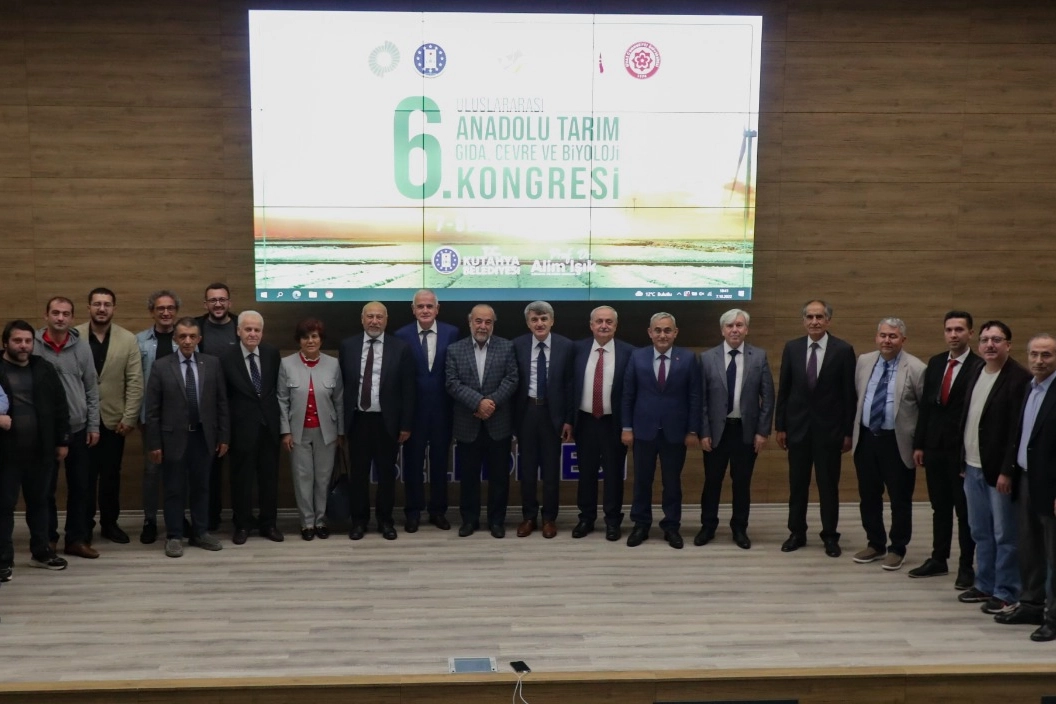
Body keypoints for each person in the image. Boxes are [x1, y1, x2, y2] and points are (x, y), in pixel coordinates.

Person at [956, 321, 1030, 615]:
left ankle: (1007, 591)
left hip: (999, 473)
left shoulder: (1019, 379)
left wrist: (1007, 470)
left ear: (1008, 345)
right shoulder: (976, 371)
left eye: (996, 339)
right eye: (985, 339)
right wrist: (963, 460)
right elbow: (968, 418)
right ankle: (985, 583)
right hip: (972, 466)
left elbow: (1017, 430)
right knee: (980, 531)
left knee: (1004, 535)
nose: (990, 344)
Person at [775, 299, 857, 558]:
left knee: (828, 487)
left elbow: (849, 395)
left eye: (819, 317)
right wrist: (780, 426)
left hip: (829, 433)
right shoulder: (792, 348)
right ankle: (796, 533)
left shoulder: (843, 350)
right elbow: (784, 390)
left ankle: (830, 536)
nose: (814, 322)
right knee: (797, 486)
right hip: (797, 430)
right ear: (803, 321)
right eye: (809, 317)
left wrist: (848, 432)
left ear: (828, 320)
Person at [144, 317, 229, 558]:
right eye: (182, 336)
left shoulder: (212, 364)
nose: (188, 341)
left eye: (192, 336)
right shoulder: (161, 366)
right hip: (173, 439)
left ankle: (200, 532)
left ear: (199, 339)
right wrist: (154, 443)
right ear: (175, 339)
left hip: (204, 437)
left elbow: (221, 403)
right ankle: (174, 535)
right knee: (174, 489)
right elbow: (152, 410)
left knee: (202, 487)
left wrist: (224, 436)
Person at [908, 311, 982, 586]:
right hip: (934, 448)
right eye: (949, 330)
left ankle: (966, 566)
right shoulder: (937, 362)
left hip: (961, 450)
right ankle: (939, 559)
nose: (953, 335)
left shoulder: (979, 366)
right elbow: (927, 407)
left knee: (964, 511)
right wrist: (920, 444)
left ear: (970, 333)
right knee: (939, 507)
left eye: (959, 330)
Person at [621, 312, 702, 549]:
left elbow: (695, 396)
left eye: (667, 330)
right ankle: (641, 525)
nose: (662, 335)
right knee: (642, 481)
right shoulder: (637, 356)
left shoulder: (688, 358)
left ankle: (671, 526)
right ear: (650, 332)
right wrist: (627, 427)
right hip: (643, 431)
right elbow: (628, 395)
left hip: (675, 433)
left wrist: (693, 430)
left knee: (672, 483)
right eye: (658, 330)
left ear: (675, 333)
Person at [851, 317, 926, 571]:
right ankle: (875, 543)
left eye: (893, 336)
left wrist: (920, 444)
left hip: (897, 443)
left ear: (903, 339)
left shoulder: (916, 368)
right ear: (876, 337)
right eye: (883, 335)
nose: (887, 340)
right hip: (866, 439)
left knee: (899, 499)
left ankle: (897, 548)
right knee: (868, 496)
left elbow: (924, 411)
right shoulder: (864, 361)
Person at [696, 308, 774, 550]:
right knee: (712, 482)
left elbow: (768, 397)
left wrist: (762, 432)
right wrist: (704, 432)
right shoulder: (707, 358)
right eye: (730, 326)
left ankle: (739, 529)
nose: (734, 330)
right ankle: (708, 527)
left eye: (739, 325)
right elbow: (701, 399)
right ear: (722, 330)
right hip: (716, 433)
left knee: (741, 483)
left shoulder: (758, 357)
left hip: (745, 432)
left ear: (746, 329)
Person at [996, 334, 1056, 641]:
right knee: (1030, 547)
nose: (1039, 361)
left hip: (1051, 486)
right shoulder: (1029, 388)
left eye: (1046, 355)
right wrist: (1008, 471)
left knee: (1053, 554)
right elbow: (1020, 435)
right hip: (1025, 479)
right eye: (1034, 354)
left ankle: (1053, 618)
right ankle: (1032, 605)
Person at [338, 302, 414, 541]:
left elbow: (408, 390)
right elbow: (342, 388)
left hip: (387, 422)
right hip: (357, 420)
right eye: (370, 316)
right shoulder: (348, 346)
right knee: (358, 474)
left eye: (379, 317)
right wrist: (341, 426)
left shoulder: (400, 348)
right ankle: (359, 521)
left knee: (386, 475)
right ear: (362, 319)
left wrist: (405, 424)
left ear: (386, 320)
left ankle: (385, 521)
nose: (374, 321)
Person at [0, 320, 70, 579]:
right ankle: (3, 560)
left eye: (28, 341)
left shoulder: (44, 368)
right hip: (6, 455)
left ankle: (41, 552)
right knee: (4, 507)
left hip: (40, 452)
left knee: (40, 503)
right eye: (17, 341)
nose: (23, 346)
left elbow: (60, 406)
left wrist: (63, 441)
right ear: (5, 342)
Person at [75, 288, 143, 544]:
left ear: (114, 308)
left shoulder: (128, 339)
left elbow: (135, 381)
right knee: (84, 476)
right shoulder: (74, 336)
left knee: (111, 475)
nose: (102, 309)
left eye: (107, 304)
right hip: (82, 420)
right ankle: (83, 526)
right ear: (89, 307)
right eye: (97, 304)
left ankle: (110, 524)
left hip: (115, 421)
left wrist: (130, 417)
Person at [35, 297, 100, 560]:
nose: (60, 318)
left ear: (72, 318)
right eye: (55, 313)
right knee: (45, 488)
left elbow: (91, 388)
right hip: (43, 431)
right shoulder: (33, 346)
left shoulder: (82, 347)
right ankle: (48, 538)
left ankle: (76, 539)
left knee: (81, 487)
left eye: (65, 314)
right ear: (46, 315)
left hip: (78, 427)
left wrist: (93, 424)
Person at [445, 304, 518, 538]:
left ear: (493, 324)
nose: (483, 326)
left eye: (488, 322)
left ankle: (496, 521)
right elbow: (452, 383)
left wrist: (490, 403)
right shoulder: (455, 349)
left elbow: (512, 379)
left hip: (498, 423)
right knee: (468, 477)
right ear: (470, 322)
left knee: (499, 477)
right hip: (468, 423)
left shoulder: (506, 347)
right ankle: (469, 520)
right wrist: (478, 403)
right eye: (478, 321)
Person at [393, 289, 459, 531]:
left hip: (443, 411)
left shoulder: (452, 333)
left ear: (437, 309)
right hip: (414, 413)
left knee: (440, 464)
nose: (425, 310)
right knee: (412, 464)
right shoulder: (401, 335)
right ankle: (413, 512)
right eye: (420, 306)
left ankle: (438, 511)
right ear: (413, 310)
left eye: (429, 306)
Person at [571, 306, 633, 541]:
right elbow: (569, 387)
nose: (604, 325)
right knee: (586, 473)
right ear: (591, 325)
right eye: (599, 321)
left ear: (616, 326)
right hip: (585, 421)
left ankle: (613, 521)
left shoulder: (629, 352)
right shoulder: (577, 349)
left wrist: (628, 426)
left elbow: (631, 393)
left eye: (609, 322)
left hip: (613, 423)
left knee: (614, 474)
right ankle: (586, 518)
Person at [512, 301, 574, 539]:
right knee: (527, 470)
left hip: (552, 414)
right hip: (526, 412)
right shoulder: (517, 345)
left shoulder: (566, 346)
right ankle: (529, 517)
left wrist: (568, 419)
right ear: (528, 323)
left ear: (552, 321)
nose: (539, 323)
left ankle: (549, 518)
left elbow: (570, 385)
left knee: (550, 470)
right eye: (534, 319)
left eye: (544, 319)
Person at [278, 318, 344, 540]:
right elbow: (282, 400)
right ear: (299, 340)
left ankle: (320, 521)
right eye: (305, 337)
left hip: (327, 432)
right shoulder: (286, 364)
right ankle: (307, 523)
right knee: (302, 478)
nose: (310, 341)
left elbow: (339, 400)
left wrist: (341, 432)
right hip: (298, 432)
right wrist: (285, 431)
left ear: (321, 339)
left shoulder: (333, 364)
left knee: (323, 478)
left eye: (314, 336)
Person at [220, 311, 283, 544]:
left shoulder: (271, 354)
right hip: (240, 431)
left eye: (257, 330)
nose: (252, 334)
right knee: (241, 481)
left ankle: (269, 524)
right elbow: (223, 399)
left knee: (269, 480)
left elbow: (276, 389)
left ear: (262, 332)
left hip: (269, 428)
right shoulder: (226, 358)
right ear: (238, 331)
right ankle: (242, 525)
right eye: (248, 329)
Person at [135, 290, 180, 544]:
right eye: (160, 308)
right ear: (152, 311)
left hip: (179, 418)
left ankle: (177, 518)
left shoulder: (184, 339)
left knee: (178, 470)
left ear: (176, 311)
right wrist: (139, 416)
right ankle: (149, 520)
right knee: (152, 471)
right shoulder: (139, 341)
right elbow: (134, 380)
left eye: (170, 308)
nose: (165, 312)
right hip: (151, 418)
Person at [195, 283, 238, 532]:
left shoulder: (240, 327)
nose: (218, 304)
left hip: (237, 406)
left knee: (239, 465)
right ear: (206, 304)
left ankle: (241, 519)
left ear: (229, 303)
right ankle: (210, 518)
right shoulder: (196, 328)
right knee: (209, 467)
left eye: (222, 299)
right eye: (213, 300)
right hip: (206, 408)